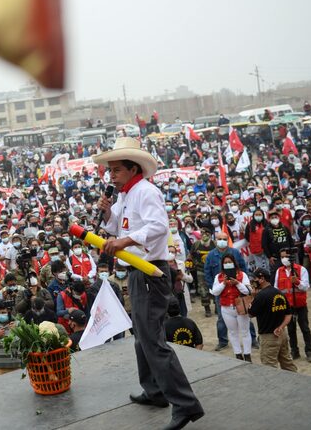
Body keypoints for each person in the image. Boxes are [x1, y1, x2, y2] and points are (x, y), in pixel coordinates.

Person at [95, 137, 204, 429]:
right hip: (134, 271)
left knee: (153, 342)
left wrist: (124, 240)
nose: (111, 176)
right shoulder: (124, 195)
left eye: (115, 170)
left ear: (132, 168)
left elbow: (158, 227)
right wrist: (107, 213)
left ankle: (185, 404)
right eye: (109, 171)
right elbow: (116, 227)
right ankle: (154, 391)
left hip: (150, 272)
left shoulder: (146, 192)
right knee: (141, 337)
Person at [248, 268, 297, 371]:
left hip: (268, 336)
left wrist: (253, 297)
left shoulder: (260, 296)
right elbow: (288, 314)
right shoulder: (279, 293)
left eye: (255, 278)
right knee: (287, 363)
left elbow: (251, 314)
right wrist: (281, 327)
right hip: (282, 334)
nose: (253, 281)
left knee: (269, 367)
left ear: (262, 279)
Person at [274, 249, 311, 362]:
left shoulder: (301, 270)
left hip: (300, 305)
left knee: (305, 328)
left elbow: (306, 287)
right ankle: (294, 351)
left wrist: (297, 282)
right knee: (291, 329)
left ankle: (309, 351)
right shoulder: (279, 271)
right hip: (287, 307)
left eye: (286, 256)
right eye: (282, 257)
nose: (284, 259)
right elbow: (276, 288)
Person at [210, 255, 252, 362]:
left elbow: (247, 291)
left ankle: (247, 355)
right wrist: (223, 283)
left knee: (245, 331)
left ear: (234, 262)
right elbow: (215, 292)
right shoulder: (219, 276)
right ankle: (238, 354)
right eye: (225, 262)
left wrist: (237, 283)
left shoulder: (242, 275)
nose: (228, 263)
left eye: (230, 261)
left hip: (240, 307)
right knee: (233, 332)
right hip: (226, 308)